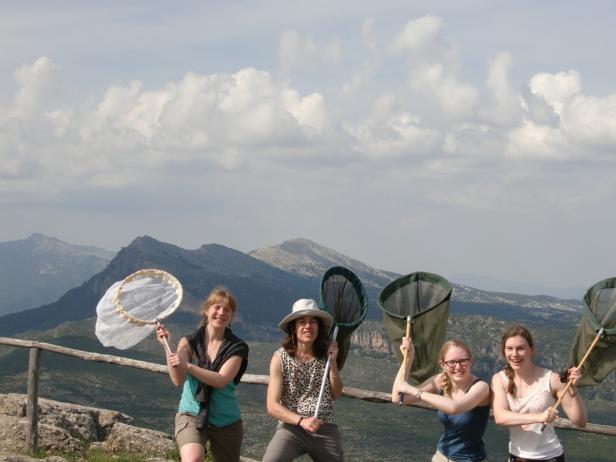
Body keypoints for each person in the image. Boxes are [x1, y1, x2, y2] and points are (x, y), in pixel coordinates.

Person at [156, 286, 249, 462]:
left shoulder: (238, 348)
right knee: (192, 459)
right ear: (207, 310)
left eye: (227, 309)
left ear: (231, 316)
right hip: (191, 413)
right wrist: (166, 346)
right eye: (217, 307)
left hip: (226, 420)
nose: (221, 313)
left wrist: (188, 366)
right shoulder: (188, 342)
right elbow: (178, 379)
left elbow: (220, 380)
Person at [262, 299, 344, 462]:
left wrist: (333, 363)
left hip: (324, 426)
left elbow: (336, 394)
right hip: (291, 427)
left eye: (313, 321)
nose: (308, 326)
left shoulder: (327, 355)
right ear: (294, 328)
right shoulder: (281, 358)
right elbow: (272, 406)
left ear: (318, 327)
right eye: (302, 322)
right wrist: (301, 421)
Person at [491, 325, 587, 462]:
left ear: (531, 350)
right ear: (503, 351)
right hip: (516, 456)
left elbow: (580, 421)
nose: (515, 354)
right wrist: (539, 417)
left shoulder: (552, 379)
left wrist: (573, 389)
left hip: (549, 457)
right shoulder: (500, 379)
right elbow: (500, 417)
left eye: (520, 348)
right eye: (509, 349)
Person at [392, 338, 491, 462]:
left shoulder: (481, 387)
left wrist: (413, 390)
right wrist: (408, 359)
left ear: (470, 361)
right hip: (441, 457)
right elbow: (397, 398)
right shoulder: (440, 381)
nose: (458, 366)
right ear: (443, 365)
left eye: (463, 361)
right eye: (452, 362)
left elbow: (454, 407)